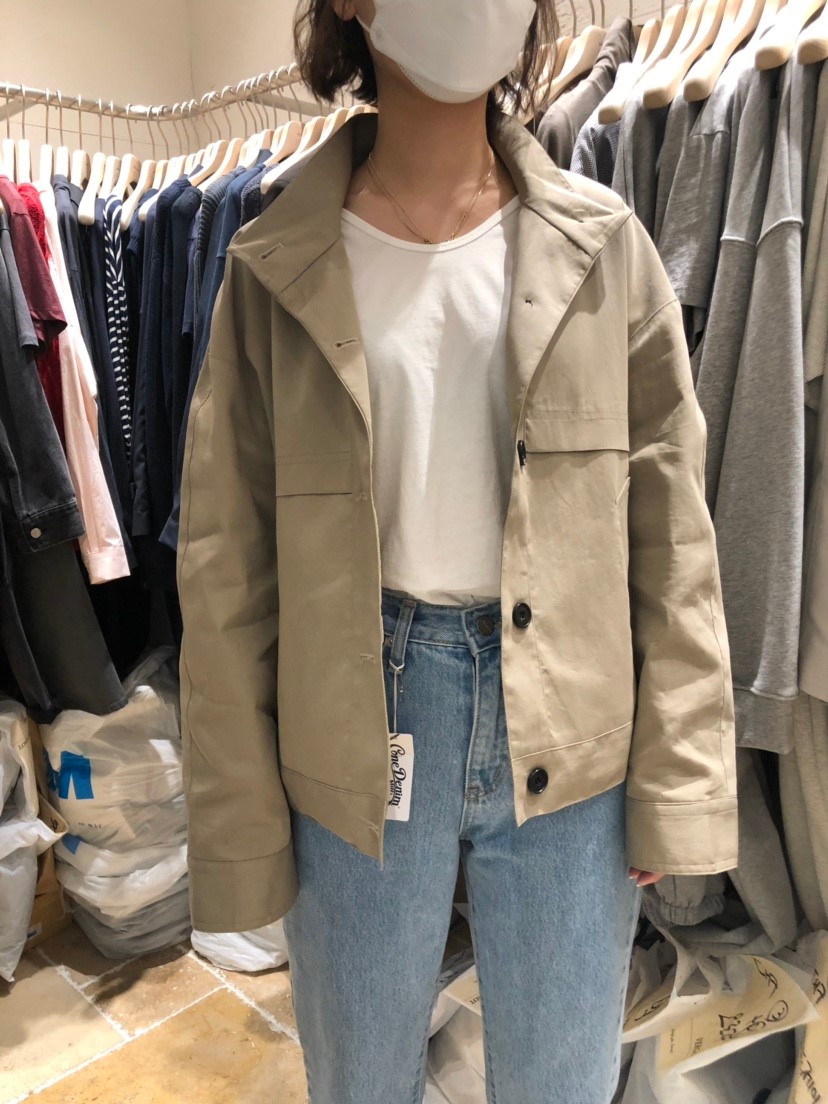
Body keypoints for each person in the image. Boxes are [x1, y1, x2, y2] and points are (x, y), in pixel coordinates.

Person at [176, 1, 739, 1100]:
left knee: (563, 1080)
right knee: (359, 1077)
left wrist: (679, 775)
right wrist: (239, 824)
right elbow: (226, 565)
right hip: (358, 718)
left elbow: (673, 536)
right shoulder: (275, 263)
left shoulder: (603, 246)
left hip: (570, 717)